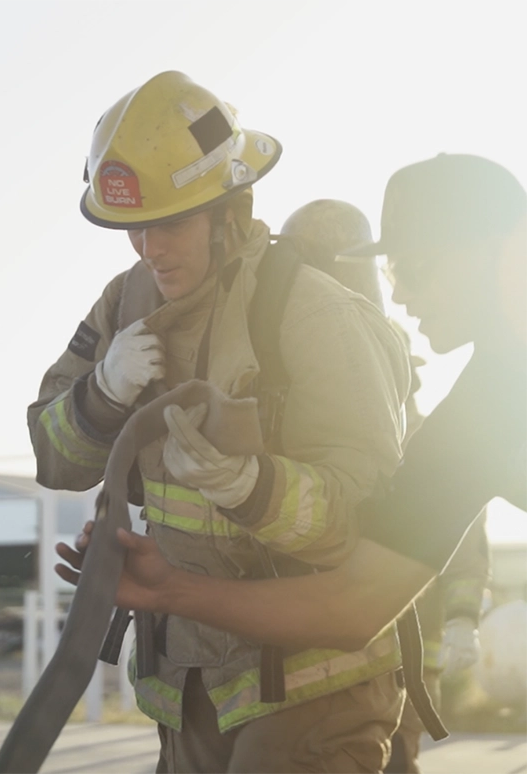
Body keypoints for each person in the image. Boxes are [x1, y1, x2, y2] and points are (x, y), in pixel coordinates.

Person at [39, 71, 410, 773]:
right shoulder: (125, 304)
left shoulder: (312, 313)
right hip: (187, 686)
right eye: (135, 228)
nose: (150, 248)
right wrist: (100, 395)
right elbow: (54, 458)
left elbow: (375, 525)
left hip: (309, 689)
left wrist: (253, 488)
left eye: (171, 223)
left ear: (230, 210)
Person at [57, 152, 527, 663]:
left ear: (504, 251)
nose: (404, 296)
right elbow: (354, 604)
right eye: (393, 272)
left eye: (415, 267)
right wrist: (168, 589)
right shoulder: (474, 422)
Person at [382, 329, 490, 773]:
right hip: (348, 641)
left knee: (398, 756)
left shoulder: (435, 441)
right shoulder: (350, 433)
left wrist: (463, 620)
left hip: (412, 651)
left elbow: (465, 546)